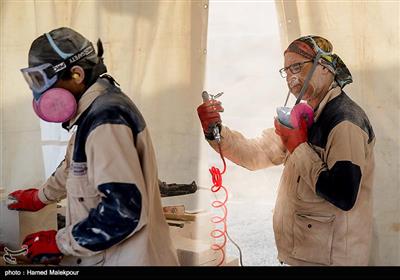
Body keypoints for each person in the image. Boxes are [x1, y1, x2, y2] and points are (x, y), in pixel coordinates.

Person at [8, 27, 179, 266]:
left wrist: (59, 242)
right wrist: (40, 197)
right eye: (33, 81)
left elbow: (122, 212)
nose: (40, 93)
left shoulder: (106, 120)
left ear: (76, 74)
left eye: (43, 81)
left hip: (129, 259)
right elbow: (74, 166)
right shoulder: (95, 110)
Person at [197, 35, 375, 266]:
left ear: (324, 67)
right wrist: (216, 130)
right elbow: (257, 154)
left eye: (297, 67)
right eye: (287, 70)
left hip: (333, 260)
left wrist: (298, 146)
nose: (291, 76)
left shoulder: (345, 122)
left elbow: (343, 194)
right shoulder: (301, 115)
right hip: (304, 256)